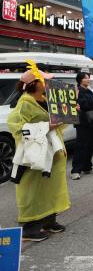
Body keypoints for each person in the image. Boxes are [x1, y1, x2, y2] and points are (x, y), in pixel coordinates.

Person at [8, 67, 68, 242]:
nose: (47, 82)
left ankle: (49, 220)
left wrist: (69, 112)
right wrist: (46, 126)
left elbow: (59, 123)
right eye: (44, 80)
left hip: (52, 150)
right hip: (35, 155)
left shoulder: (45, 98)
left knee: (51, 187)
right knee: (32, 189)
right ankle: (30, 228)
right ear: (34, 84)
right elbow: (17, 127)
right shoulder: (25, 102)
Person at [71, 72, 93, 180]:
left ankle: (87, 167)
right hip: (82, 122)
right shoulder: (78, 92)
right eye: (86, 78)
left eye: (89, 78)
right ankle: (75, 170)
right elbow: (86, 105)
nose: (89, 80)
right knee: (81, 145)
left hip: (91, 121)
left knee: (91, 145)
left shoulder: (88, 90)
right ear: (81, 80)